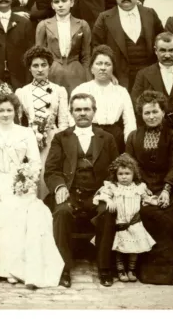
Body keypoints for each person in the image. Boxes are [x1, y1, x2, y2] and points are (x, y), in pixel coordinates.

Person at [0, 92, 64, 288]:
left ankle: (21, 268)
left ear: (16, 111)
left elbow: (35, 162)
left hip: (21, 183)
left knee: (27, 216)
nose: (5, 114)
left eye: (9, 110)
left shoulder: (26, 133)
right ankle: (4, 268)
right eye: (1, 110)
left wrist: (27, 180)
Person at [44, 93, 119, 287]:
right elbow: (51, 170)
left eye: (87, 109)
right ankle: (63, 268)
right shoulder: (61, 138)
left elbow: (115, 170)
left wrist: (107, 190)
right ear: (71, 113)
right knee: (61, 212)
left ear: (94, 112)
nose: (83, 113)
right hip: (71, 193)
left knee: (107, 212)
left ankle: (104, 268)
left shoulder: (107, 138)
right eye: (78, 109)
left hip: (97, 194)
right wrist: (59, 186)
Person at [125, 90, 173, 285]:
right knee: (144, 213)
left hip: (169, 188)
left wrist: (166, 190)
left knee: (167, 218)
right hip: (142, 188)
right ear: (141, 115)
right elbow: (130, 165)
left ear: (163, 112)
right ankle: (147, 271)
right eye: (147, 113)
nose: (151, 116)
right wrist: (141, 188)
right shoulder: (133, 137)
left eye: (155, 112)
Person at [91, 0, 164, 92]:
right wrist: (109, 74)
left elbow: (161, 42)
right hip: (119, 79)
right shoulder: (104, 18)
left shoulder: (150, 14)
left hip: (149, 78)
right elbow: (96, 48)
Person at [15, 46, 69, 199]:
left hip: (53, 138)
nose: (40, 69)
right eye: (35, 66)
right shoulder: (22, 92)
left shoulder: (59, 90)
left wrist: (60, 141)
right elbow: (18, 122)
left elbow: (64, 121)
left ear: (49, 66)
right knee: (31, 172)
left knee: (48, 171)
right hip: (30, 138)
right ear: (30, 68)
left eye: (43, 65)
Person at [94, 154, 155, 283]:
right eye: (120, 174)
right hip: (120, 222)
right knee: (120, 248)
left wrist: (154, 201)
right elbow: (103, 195)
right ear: (115, 174)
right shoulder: (113, 187)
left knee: (134, 248)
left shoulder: (139, 187)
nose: (124, 177)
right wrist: (109, 201)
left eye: (127, 173)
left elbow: (146, 198)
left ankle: (131, 269)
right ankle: (120, 269)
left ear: (134, 174)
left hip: (134, 223)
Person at [70, 45, 136, 153]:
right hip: (88, 135)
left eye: (107, 64)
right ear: (91, 68)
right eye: (99, 63)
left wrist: (129, 145)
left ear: (112, 68)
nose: (103, 68)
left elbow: (129, 121)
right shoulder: (81, 89)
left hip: (115, 137)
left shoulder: (121, 91)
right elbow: (72, 119)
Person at [36, 0, 91, 96]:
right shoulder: (44, 25)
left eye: (64, 1)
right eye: (56, 2)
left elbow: (86, 55)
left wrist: (87, 77)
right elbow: (38, 55)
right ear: (52, 5)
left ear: (71, 2)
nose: (60, 5)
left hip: (76, 72)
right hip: (53, 72)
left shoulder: (82, 25)